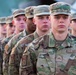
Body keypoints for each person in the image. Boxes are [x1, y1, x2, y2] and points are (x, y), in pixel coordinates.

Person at [20, 2, 76, 75]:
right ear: (50, 19)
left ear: (70, 20)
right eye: (57, 17)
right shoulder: (34, 48)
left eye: (65, 17)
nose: (61, 21)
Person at [8, 5, 51, 75]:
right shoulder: (21, 44)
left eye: (47, 18)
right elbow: (12, 70)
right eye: (41, 18)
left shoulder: (61, 42)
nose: (45, 21)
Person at [3, 9, 27, 75]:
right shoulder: (7, 42)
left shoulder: (32, 39)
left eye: (24, 19)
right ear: (13, 22)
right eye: (18, 19)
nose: (22, 22)